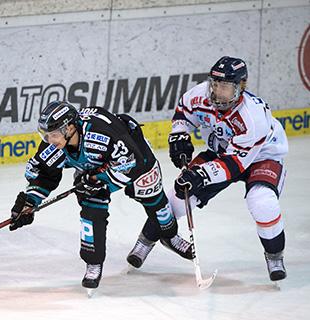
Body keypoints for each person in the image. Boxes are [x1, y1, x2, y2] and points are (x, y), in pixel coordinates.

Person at [10, 101, 193, 290]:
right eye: (46, 135)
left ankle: (169, 236)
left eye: (53, 135)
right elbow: (44, 175)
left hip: (136, 157)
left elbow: (132, 164)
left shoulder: (102, 134)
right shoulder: (56, 143)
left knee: (154, 200)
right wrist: (30, 202)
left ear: (70, 128)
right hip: (92, 168)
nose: (49, 140)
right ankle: (93, 263)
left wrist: (101, 180)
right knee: (91, 210)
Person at [167, 56, 288, 281]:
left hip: (262, 156)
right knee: (179, 195)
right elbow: (183, 113)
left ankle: (274, 255)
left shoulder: (252, 116)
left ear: (240, 87)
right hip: (223, 151)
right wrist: (179, 134)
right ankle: (147, 240)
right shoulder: (200, 94)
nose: (217, 92)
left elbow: (234, 164)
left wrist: (201, 175)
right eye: (215, 84)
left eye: (225, 87)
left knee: (262, 201)